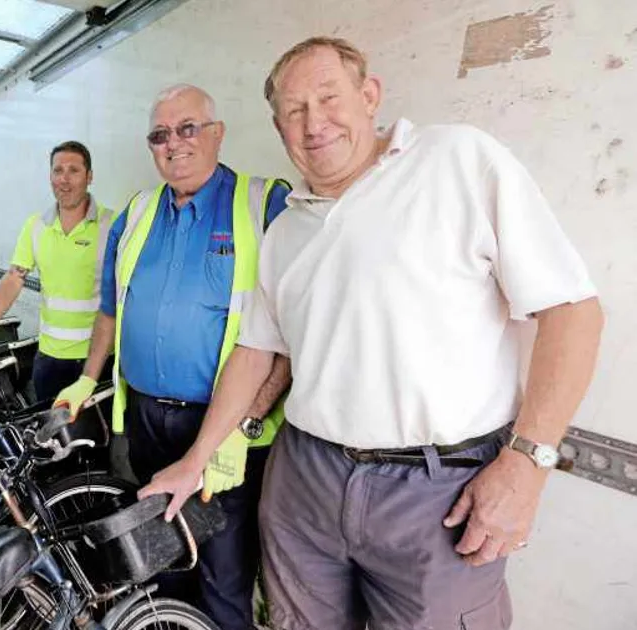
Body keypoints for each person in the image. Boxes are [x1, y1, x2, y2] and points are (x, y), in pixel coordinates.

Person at [141, 37, 604, 630]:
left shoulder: (457, 160)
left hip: (438, 494)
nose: (314, 123)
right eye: (294, 111)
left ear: (369, 96)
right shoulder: (287, 229)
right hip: (305, 477)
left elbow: (572, 310)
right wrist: (197, 459)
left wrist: (528, 464)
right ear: (278, 127)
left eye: (328, 98)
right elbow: (257, 350)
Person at [54, 84, 292, 630]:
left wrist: (246, 422)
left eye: (188, 129)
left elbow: (292, 338)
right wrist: (87, 379)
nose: (174, 144)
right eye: (160, 135)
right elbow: (110, 313)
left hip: (225, 429)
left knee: (224, 576)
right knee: (162, 568)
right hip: (144, 422)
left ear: (217, 133)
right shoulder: (135, 214)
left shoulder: (263, 205)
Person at [0, 141, 114, 402]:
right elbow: (13, 279)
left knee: (90, 442)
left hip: (97, 362)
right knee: (48, 439)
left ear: (89, 176)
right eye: (58, 171)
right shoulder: (35, 226)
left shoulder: (111, 225)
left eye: (74, 171)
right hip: (48, 359)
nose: (64, 180)